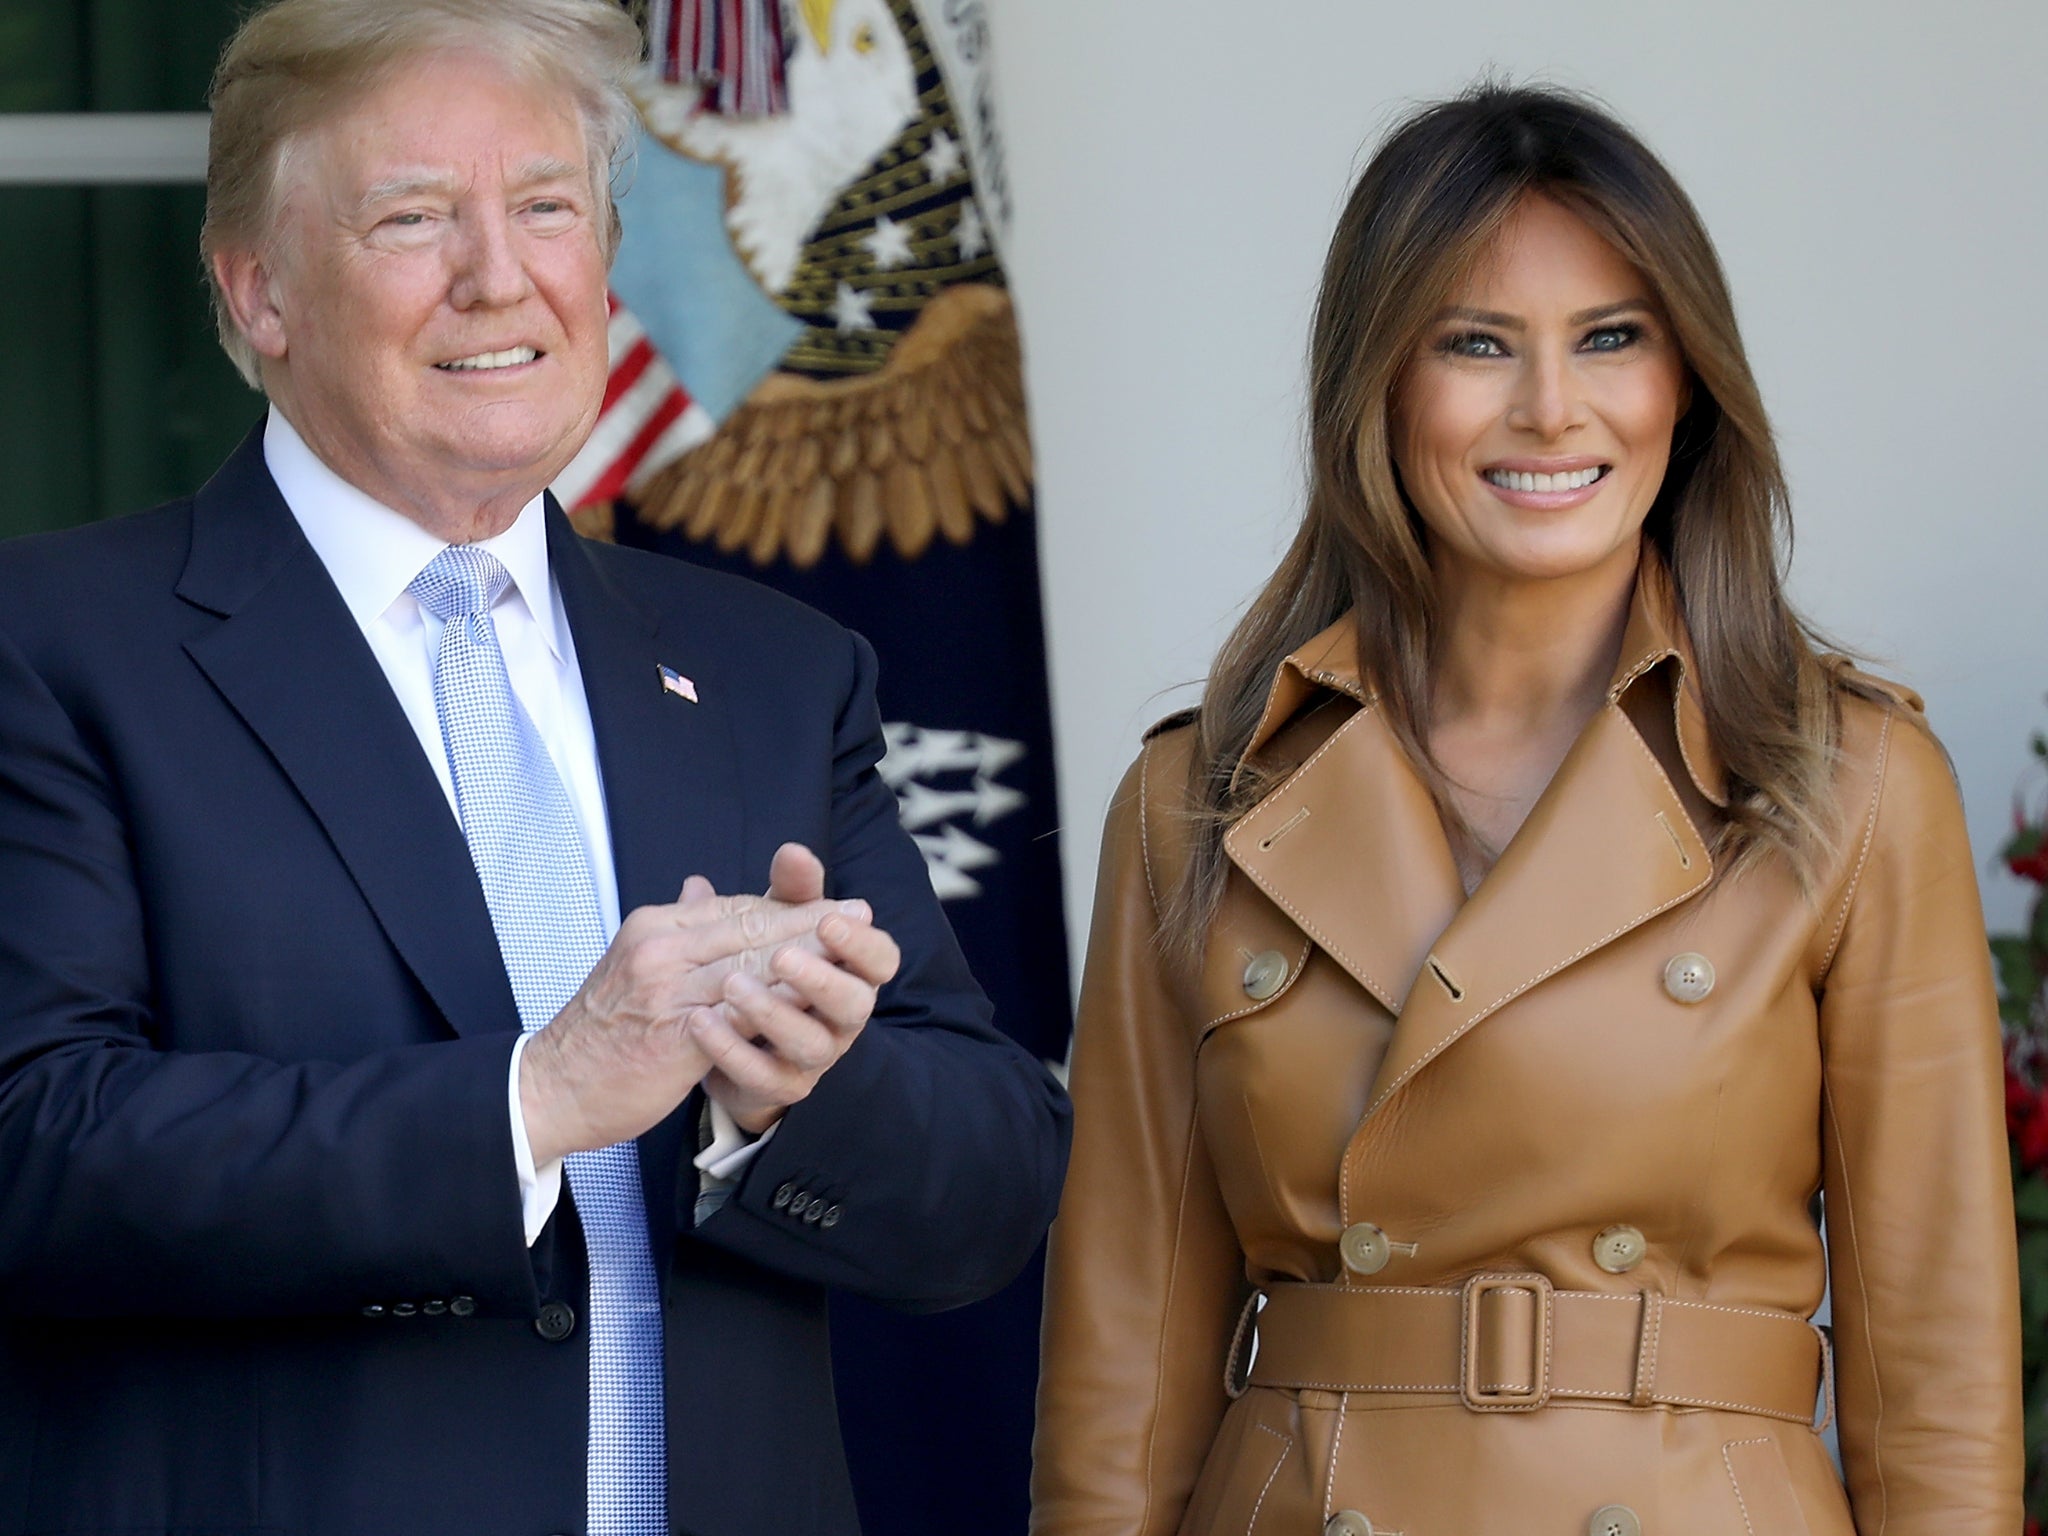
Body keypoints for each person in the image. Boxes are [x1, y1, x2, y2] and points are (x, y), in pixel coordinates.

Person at [0, 2, 1069, 1533]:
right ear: (260, 293)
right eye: (414, 217)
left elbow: (991, 1175)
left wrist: (790, 1102)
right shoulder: (51, 647)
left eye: (547, 208)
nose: (499, 276)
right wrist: (532, 1099)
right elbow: (32, 1152)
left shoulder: (779, 669)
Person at [1032, 83, 2019, 1536]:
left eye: (1611, 338)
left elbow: (1933, 1375)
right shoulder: (1200, 799)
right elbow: (1124, 1368)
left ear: (1686, 381)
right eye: (1476, 345)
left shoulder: (1850, 786)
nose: (1553, 409)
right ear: (1379, 383)